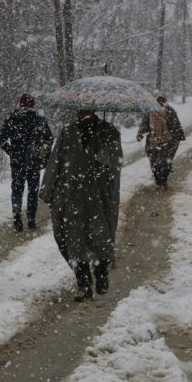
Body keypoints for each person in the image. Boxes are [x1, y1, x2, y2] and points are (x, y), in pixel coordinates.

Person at [40, 109, 122, 302]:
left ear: (93, 109)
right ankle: (83, 284)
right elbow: (56, 161)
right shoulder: (68, 133)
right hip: (71, 196)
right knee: (74, 242)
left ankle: (101, 273)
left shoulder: (109, 132)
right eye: (79, 109)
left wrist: (102, 154)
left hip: (98, 198)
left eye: (85, 108)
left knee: (100, 239)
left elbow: (115, 164)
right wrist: (48, 189)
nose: (81, 112)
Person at [0, 94, 54, 231]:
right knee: (32, 191)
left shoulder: (13, 118)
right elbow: (48, 139)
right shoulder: (39, 120)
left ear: (20, 105)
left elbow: (1, 138)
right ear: (33, 105)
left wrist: (12, 151)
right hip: (34, 162)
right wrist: (41, 154)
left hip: (17, 162)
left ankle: (17, 217)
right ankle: (31, 219)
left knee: (17, 190)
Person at [136, 92, 185, 190]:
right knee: (154, 163)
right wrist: (140, 134)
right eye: (158, 100)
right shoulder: (149, 112)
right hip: (153, 141)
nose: (160, 102)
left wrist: (177, 136)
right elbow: (145, 124)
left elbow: (176, 125)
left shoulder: (170, 111)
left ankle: (164, 182)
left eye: (162, 100)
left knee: (166, 163)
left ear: (165, 100)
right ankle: (158, 183)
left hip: (168, 141)